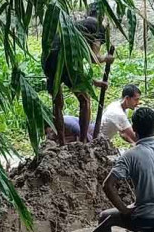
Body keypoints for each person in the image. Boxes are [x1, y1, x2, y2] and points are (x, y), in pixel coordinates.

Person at [42, 16, 112, 145]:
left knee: (57, 103)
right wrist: (105, 58)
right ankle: (83, 140)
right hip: (65, 59)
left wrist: (93, 82)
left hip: (48, 59)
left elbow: (75, 69)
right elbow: (93, 57)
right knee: (84, 100)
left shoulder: (77, 26)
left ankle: (62, 142)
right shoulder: (99, 29)